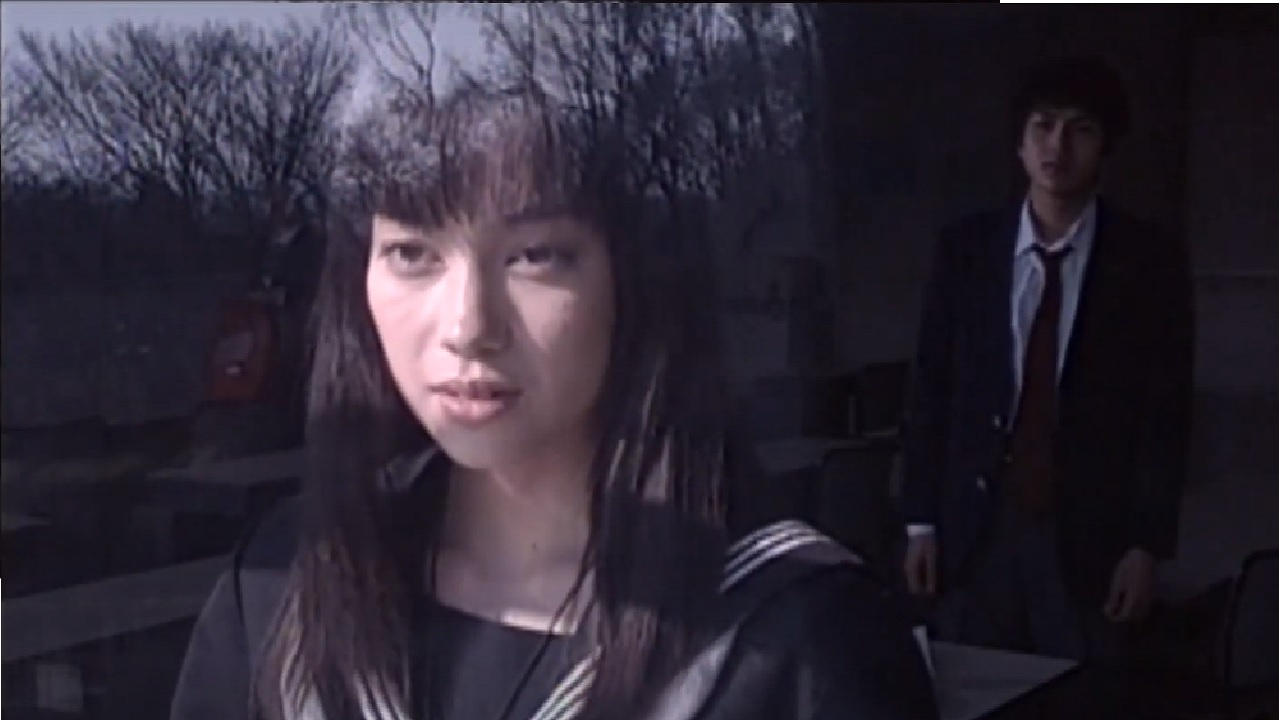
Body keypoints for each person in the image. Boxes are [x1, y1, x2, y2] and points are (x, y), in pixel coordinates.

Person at [171, 85, 936, 720]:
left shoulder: (801, 640)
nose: (469, 326)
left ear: (634, 281)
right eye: (412, 253)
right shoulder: (284, 588)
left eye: (535, 256)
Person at [900, 56, 1193, 714]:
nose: (1058, 145)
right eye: (1043, 125)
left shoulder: (1147, 261)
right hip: (977, 531)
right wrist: (920, 521)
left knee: (1084, 700)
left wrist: (1147, 544)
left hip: (1091, 537)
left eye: (1080, 129)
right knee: (970, 697)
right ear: (1020, 142)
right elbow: (930, 390)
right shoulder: (967, 250)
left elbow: (1165, 415)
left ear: (1105, 146)